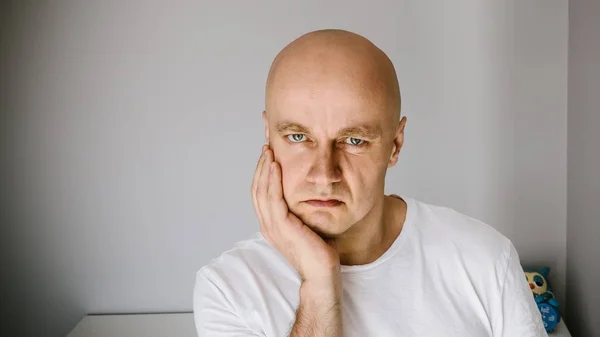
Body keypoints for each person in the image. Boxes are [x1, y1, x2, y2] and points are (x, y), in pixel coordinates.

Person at [193, 29, 547, 337]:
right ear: (268, 137)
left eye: (354, 140)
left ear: (395, 145)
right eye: (298, 137)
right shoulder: (228, 290)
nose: (323, 173)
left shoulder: (485, 259)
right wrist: (319, 282)